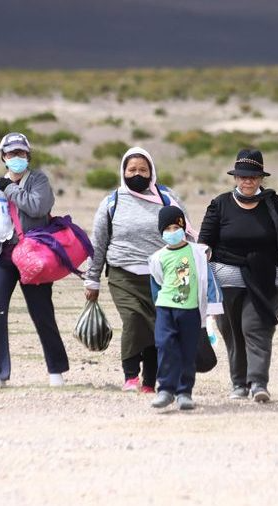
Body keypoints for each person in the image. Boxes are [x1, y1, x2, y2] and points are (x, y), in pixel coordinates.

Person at [83, 147, 194, 394]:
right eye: (132, 169)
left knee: (158, 327)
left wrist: (195, 267)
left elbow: (186, 232)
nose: (137, 174)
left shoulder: (166, 197)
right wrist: (92, 280)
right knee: (133, 320)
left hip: (162, 275)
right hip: (123, 274)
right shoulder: (113, 201)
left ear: (151, 171)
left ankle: (149, 382)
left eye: (143, 170)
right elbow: (98, 243)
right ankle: (131, 376)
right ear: (123, 171)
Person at [0, 132, 70, 389]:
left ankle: (56, 370)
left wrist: (11, 189)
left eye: (21, 153)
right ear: (3, 157)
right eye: (12, 154)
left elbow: (37, 206)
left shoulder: (38, 180)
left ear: (28, 155)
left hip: (33, 256)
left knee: (42, 312)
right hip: (0, 256)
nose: (17, 158)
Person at [198, 149, 278, 403]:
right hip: (225, 281)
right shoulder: (219, 204)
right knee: (231, 332)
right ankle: (239, 383)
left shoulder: (275, 204)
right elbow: (204, 244)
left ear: (261, 178)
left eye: (253, 176)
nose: (248, 181)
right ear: (235, 177)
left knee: (255, 326)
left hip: (265, 278)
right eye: (243, 176)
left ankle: (258, 383)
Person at [147, 207, 223, 410]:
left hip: (190, 311)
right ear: (161, 232)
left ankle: (184, 393)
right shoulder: (157, 258)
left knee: (188, 351)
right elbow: (156, 284)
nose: (173, 232)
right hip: (165, 308)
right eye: (168, 229)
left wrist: (214, 308)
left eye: (176, 227)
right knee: (164, 346)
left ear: (183, 228)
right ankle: (165, 390)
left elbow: (209, 280)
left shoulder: (198, 253)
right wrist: (158, 306)